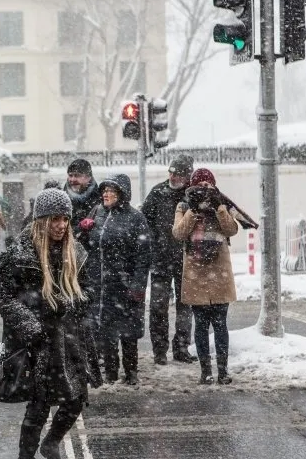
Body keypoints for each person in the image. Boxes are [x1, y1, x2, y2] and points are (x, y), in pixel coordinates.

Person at [0, 188, 101, 459]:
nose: (61, 225)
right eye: (54, 219)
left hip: (70, 339)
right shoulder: (20, 252)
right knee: (38, 408)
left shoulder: (75, 252)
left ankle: (51, 443)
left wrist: (73, 300)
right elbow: (0, 295)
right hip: (37, 342)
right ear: (41, 220)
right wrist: (29, 322)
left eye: (65, 219)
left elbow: (91, 290)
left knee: (76, 400)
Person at [83, 173, 151, 385]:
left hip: (125, 285)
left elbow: (143, 255)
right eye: (104, 190)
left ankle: (131, 373)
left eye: (111, 190)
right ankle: (111, 374)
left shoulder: (135, 218)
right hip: (101, 285)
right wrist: (83, 231)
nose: (106, 193)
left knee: (128, 332)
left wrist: (138, 285)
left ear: (122, 193)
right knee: (105, 332)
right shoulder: (97, 213)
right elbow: (88, 248)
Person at [172, 168, 238, 385]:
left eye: (207, 185)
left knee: (220, 325)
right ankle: (205, 371)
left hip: (219, 273)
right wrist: (192, 209)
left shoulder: (222, 203)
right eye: (199, 185)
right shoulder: (183, 205)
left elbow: (231, 229)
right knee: (201, 325)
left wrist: (218, 206)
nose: (204, 189)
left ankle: (223, 370)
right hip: (196, 273)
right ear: (192, 186)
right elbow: (179, 233)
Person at [141, 155, 196, 365]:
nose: (173, 176)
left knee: (185, 307)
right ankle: (159, 351)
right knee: (158, 307)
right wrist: (153, 244)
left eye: (178, 173)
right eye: (171, 172)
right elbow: (144, 222)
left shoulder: (192, 195)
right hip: (161, 260)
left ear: (187, 175)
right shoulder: (158, 192)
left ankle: (181, 348)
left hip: (187, 260)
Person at [63, 157, 102, 239]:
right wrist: (79, 228)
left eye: (77, 175)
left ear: (89, 177)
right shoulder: (61, 199)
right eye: (70, 175)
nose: (72, 179)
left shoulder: (101, 198)